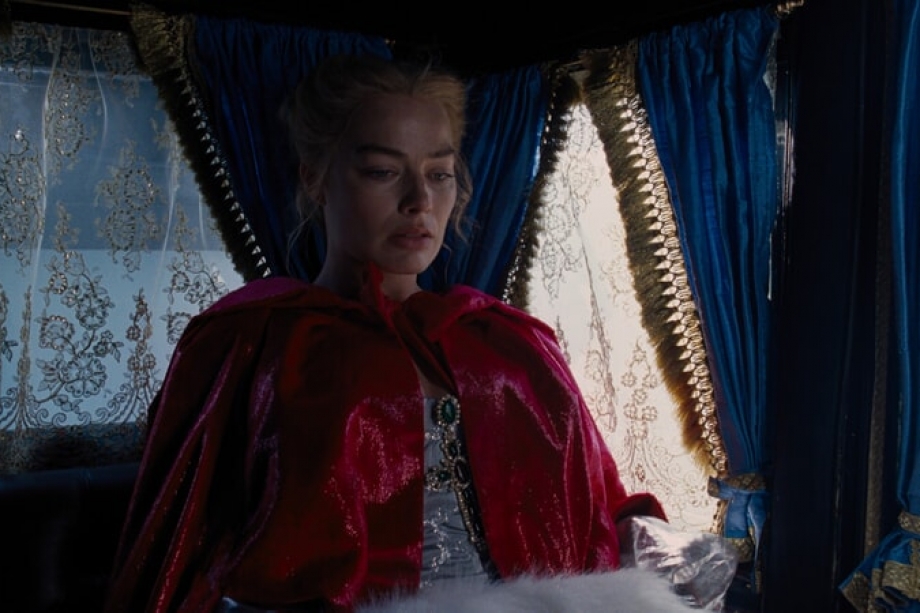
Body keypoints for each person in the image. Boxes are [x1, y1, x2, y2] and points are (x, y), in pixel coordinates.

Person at [103, 53, 699, 613]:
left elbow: (601, 507)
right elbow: (173, 550)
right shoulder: (247, 342)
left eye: (439, 174)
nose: (420, 201)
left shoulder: (514, 345)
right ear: (315, 178)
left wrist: (662, 548)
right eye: (383, 172)